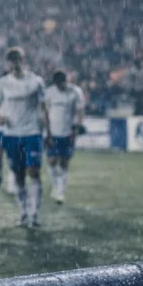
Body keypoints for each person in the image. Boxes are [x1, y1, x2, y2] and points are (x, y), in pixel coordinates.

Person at [0, 47, 48, 227]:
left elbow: (44, 107)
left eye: (17, 59)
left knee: (34, 172)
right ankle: (23, 212)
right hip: (11, 134)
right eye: (11, 60)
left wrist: (48, 131)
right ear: (7, 63)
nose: (14, 63)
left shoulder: (36, 81)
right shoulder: (2, 83)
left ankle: (35, 213)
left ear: (23, 60)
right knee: (18, 175)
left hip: (32, 132)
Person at [44, 69, 85, 205]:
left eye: (64, 82)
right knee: (51, 161)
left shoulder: (75, 92)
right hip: (53, 132)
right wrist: (47, 131)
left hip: (68, 132)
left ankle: (60, 192)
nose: (62, 85)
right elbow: (45, 112)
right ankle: (55, 185)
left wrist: (76, 129)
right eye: (59, 83)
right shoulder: (49, 93)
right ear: (55, 83)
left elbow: (80, 112)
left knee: (64, 162)